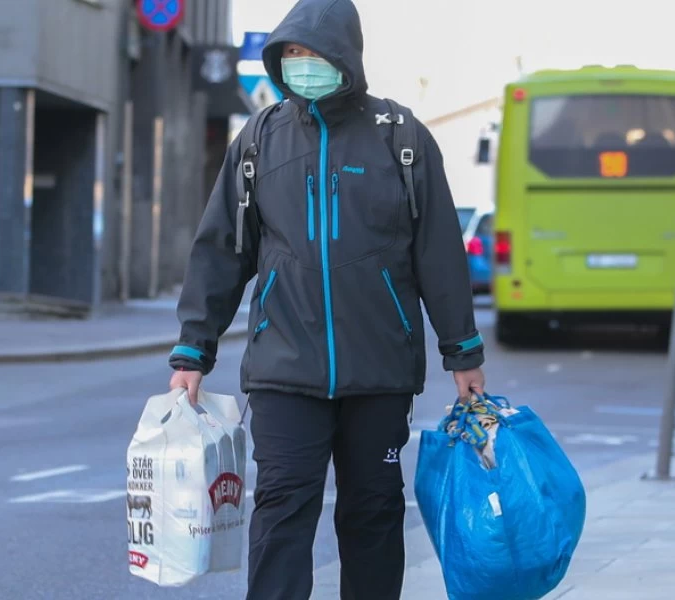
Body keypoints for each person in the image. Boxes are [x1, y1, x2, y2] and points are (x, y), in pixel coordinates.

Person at [166, 0, 487, 597]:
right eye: (291, 52)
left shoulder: (401, 138)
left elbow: (439, 253)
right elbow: (221, 250)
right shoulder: (259, 140)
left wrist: (462, 351)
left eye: (312, 52)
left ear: (345, 55)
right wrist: (193, 350)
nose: (302, 62)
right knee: (281, 509)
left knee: (373, 512)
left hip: (380, 369)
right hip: (284, 369)